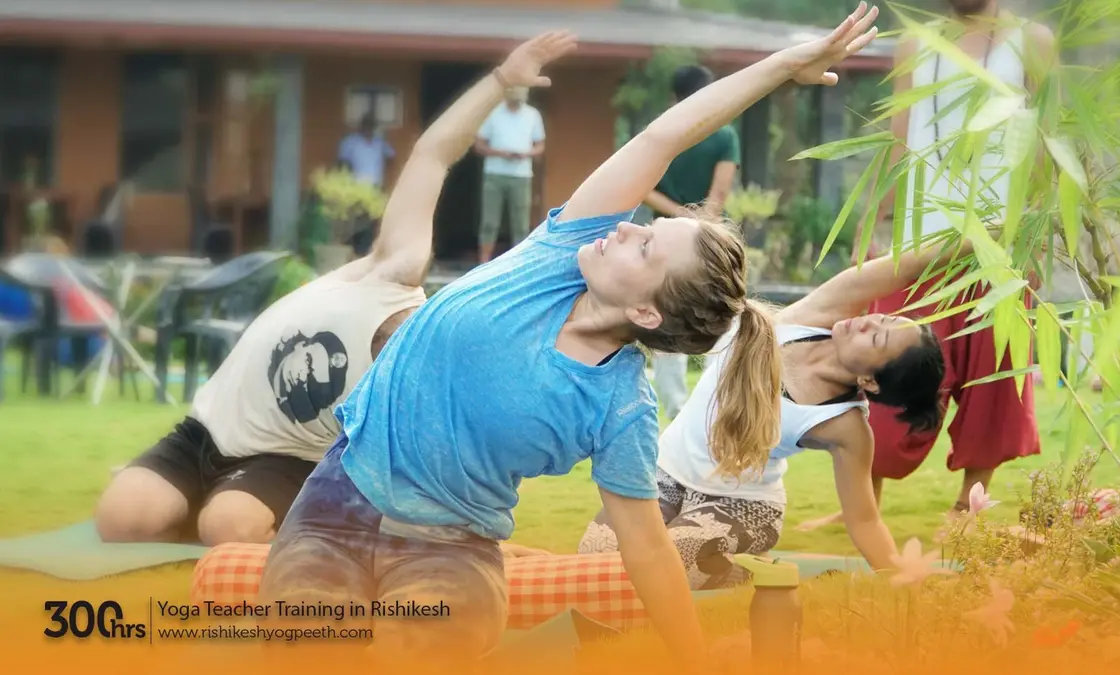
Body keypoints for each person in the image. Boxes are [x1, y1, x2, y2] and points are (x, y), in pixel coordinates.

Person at [255, 7, 880, 668]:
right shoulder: (563, 250)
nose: (627, 228)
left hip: (451, 550)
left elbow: (645, 547)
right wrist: (784, 66)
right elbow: (661, 140)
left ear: (645, 314)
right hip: (336, 502)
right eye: (643, 224)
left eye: (644, 248)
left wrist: (692, 658)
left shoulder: (621, 406)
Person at [91, 43, 543, 558]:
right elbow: (433, 154)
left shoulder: (406, 400)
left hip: (282, 459)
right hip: (204, 432)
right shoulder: (394, 269)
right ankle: (194, 498)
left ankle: (262, 516)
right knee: (121, 522)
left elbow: (425, 485)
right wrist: (502, 80)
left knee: (230, 531)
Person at [579, 235, 967, 589]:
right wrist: (987, 240)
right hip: (663, 471)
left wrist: (900, 580)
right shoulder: (815, 317)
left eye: (876, 336)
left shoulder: (845, 425)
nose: (866, 321)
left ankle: (749, 570)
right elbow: (905, 264)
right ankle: (736, 563)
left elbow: (865, 520)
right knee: (595, 564)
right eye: (883, 318)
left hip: (739, 504)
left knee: (664, 569)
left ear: (870, 382)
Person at [803, 0, 1057, 530]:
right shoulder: (917, 45)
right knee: (878, 369)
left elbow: (1045, 147)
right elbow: (898, 144)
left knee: (993, 382)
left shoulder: (1033, 42)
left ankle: (969, 504)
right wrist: (871, 223)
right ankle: (862, 500)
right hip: (917, 245)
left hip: (997, 246)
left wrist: (1035, 235)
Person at [644, 64, 742, 420]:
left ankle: (675, 407)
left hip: (661, 234)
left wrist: (678, 216)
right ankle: (729, 398)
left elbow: (644, 186)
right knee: (725, 309)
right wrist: (700, 223)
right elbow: (719, 192)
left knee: (667, 312)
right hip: (709, 234)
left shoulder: (662, 130)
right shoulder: (725, 134)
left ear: (674, 97)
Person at [474, 85, 545, 262]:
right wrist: (500, 153)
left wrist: (526, 153)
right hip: (494, 174)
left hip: (521, 176)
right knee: (490, 221)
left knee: (520, 223)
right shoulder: (493, 114)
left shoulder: (532, 115)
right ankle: (484, 262)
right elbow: (479, 145)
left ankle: (517, 263)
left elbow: (540, 145)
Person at [338, 111, 396, 189]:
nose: (368, 128)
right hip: (356, 185)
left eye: (371, 125)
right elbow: (342, 163)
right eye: (366, 125)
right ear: (361, 125)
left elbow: (391, 155)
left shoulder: (379, 142)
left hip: (376, 185)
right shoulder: (350, 141)